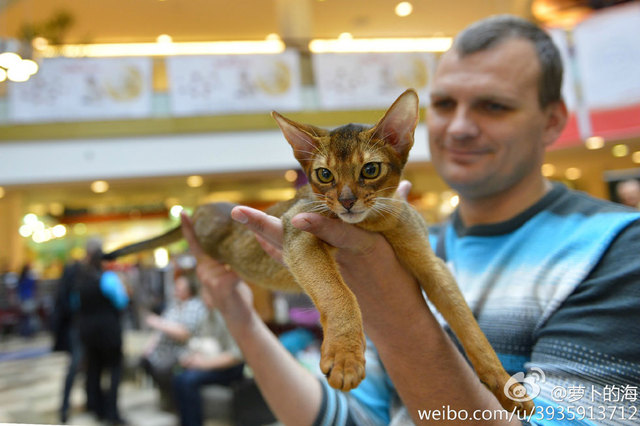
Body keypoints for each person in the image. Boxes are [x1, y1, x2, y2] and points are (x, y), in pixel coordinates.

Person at [181, 14, 640, 425]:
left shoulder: (621, 252)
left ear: (552, 121)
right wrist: (238, 315)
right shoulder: (429, 238)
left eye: (493, 105)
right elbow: (352, 417)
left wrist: (384, 295)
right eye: (443, 104)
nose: (459, 126)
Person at [172, 282, 245, 426]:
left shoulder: (228, 316)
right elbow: (201, 344)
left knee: (188, 380)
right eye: (203, 294)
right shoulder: (206, 317)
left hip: (231, 368)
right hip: (210, 362)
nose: (205, 298)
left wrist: (202, 364)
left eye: (208, 294)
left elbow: (235, 356)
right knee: (178, 377)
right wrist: (193, 359)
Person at [76, 238, 129, 425]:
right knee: (114, 370)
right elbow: (121, 301)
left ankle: (97, 408)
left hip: (88, 332)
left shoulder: (80, 280)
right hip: (109, 331)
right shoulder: (108, 278)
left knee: (94, 369)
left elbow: (75, 305)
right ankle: (112, 412)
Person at [140, 272, 208, 411]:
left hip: (182, 352)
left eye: (180, 286)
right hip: (162, 351)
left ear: (189, 289)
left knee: (168, 371)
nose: (176, 289)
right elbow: (159, 331)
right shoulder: (174, 305)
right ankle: (168, 397)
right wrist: (149, 346)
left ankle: (174, 402)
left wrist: (157, 322)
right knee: (145, 362)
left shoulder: (195, 306)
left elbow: (185, 333)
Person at [17, 263, 38, 337]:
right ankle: (30, 332)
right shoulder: (29, 278)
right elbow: (34, 288)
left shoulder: (21, 279)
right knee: (30, 317)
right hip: (29, 299)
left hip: (23, 300)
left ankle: (26, 332)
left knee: (25, 317)